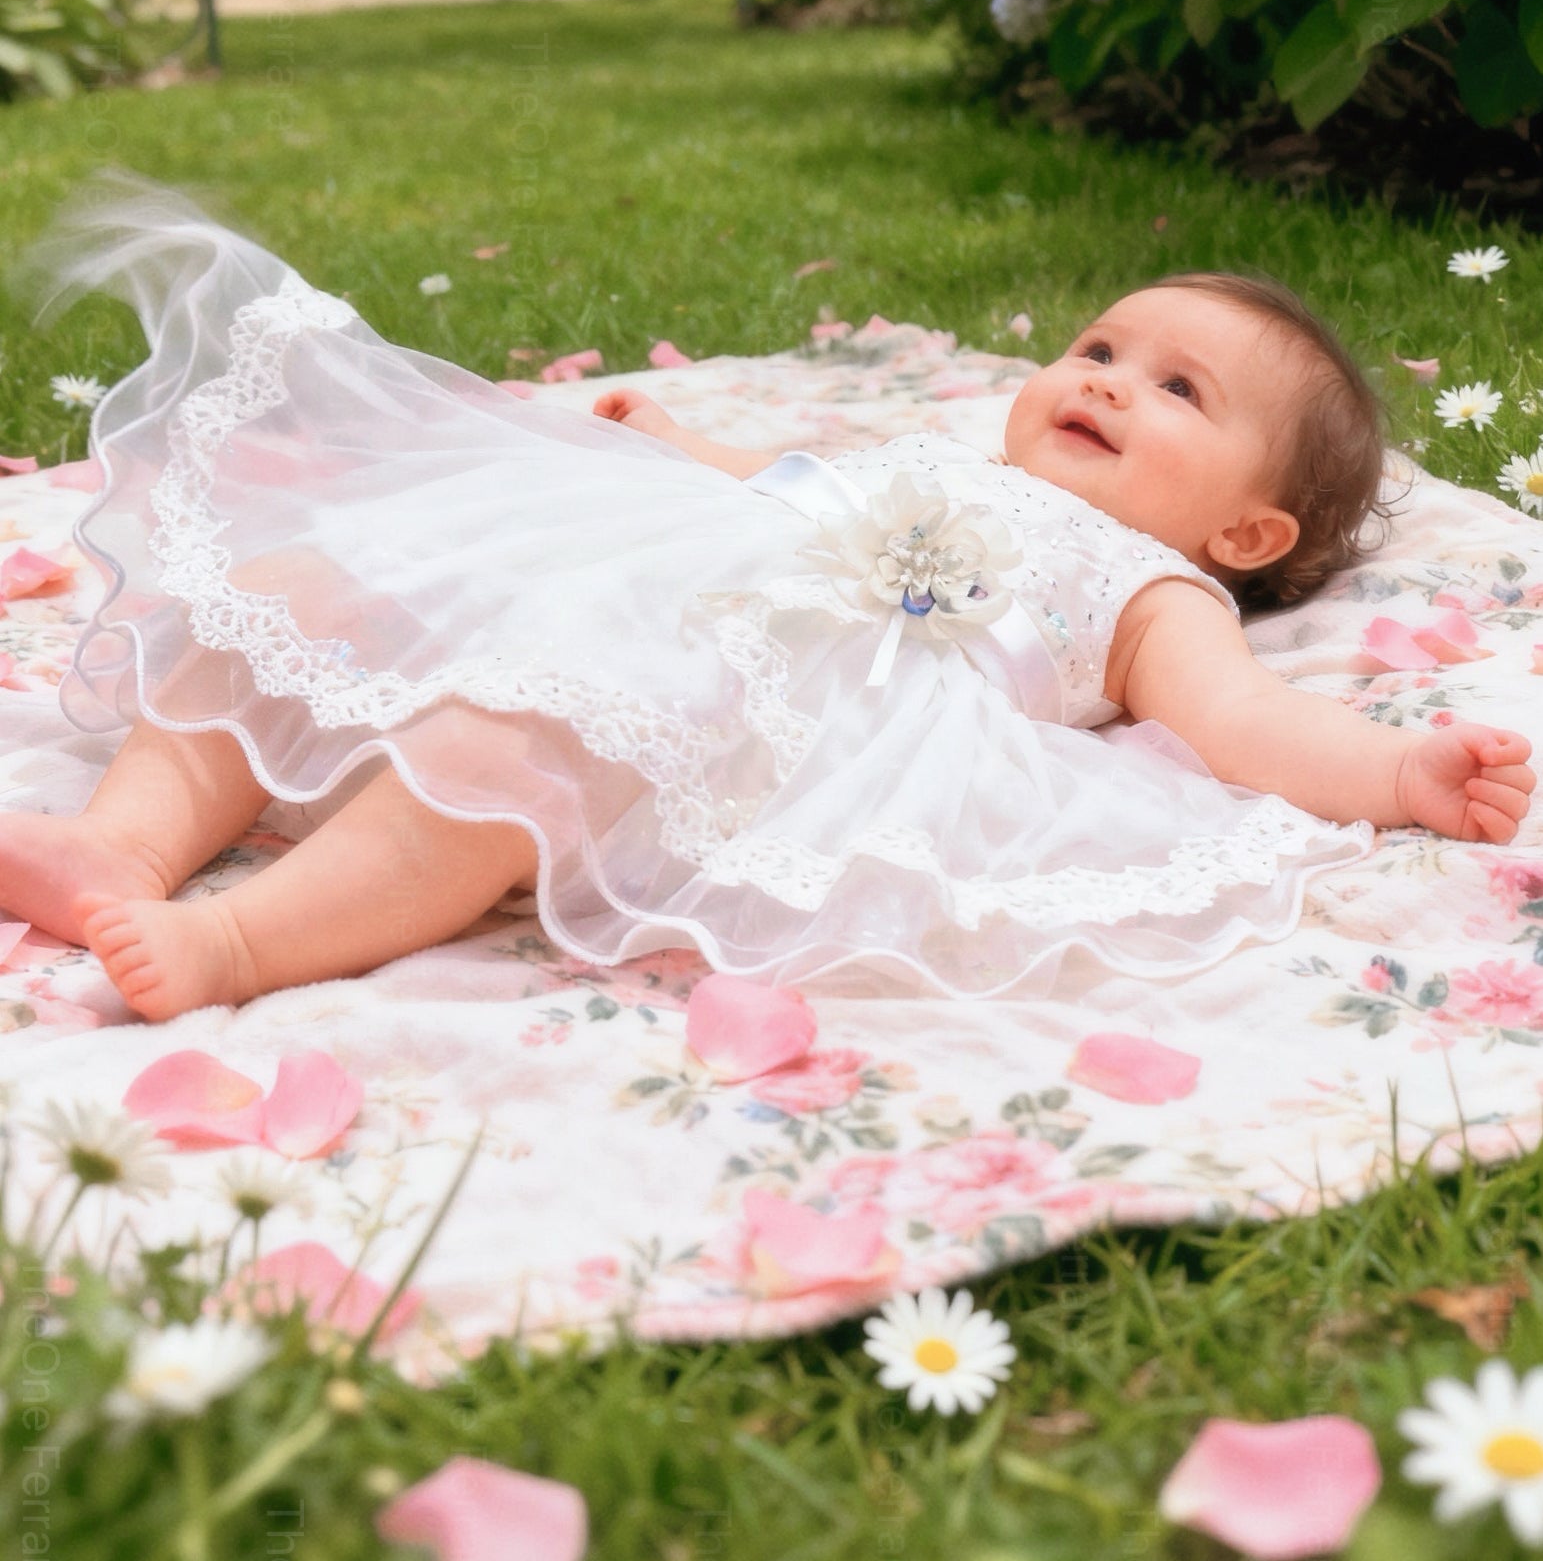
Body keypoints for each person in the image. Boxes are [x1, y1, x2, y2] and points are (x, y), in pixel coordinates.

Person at [0, 174, 1531, 1022]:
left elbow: (1250, 724)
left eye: (1178, 390)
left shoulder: (1149, 591)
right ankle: (122, 842)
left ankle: (244, 946)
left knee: (513, 745)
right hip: (648, 565)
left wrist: (1404, 770)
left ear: (1249, 530)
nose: (1109, 382)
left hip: (771, 697)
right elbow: (795, 480)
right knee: (311, 594)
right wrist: (680, 444)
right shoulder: (937, 455)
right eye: (1098, 350)